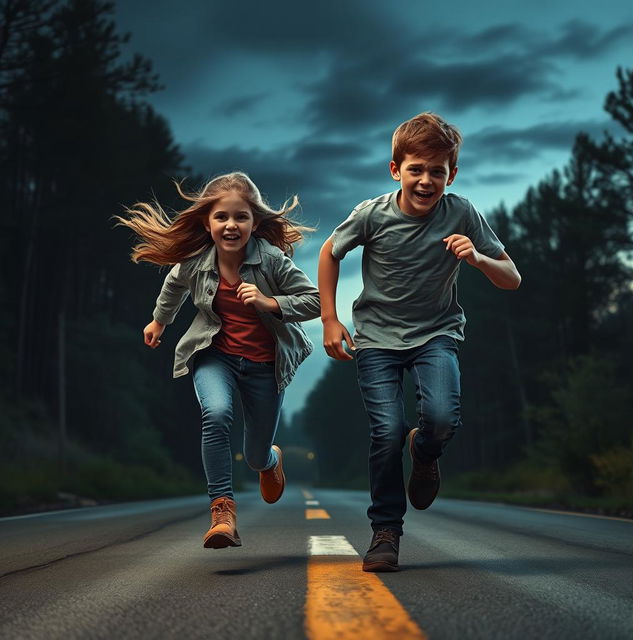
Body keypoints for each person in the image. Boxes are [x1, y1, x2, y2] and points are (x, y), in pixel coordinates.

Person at [318, 112, 521, 572]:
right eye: (416, 169)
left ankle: (425, 452)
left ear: (452, 174)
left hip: (436, 334)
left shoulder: (463, 213)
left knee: (442, 419)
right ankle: (385, 532)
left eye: (437, 171)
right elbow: (330, 252)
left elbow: (512, 277)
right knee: (386, 432)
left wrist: (478, 260)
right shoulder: (372, 214)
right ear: (396, 170)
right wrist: (330, 320)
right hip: (376, 339)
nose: (426, 180)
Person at [116, 172, 320, 549]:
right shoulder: (196, 261)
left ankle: (269, 462)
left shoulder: (272, 260)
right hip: (215, 357)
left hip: (263, 366)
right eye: (221, 217)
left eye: (240, 217)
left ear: (254, 222)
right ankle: (222, 510)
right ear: (207, 222)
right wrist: (160, 321)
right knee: (217, 413)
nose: (231, 225)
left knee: (256, 453)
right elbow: (174, 284)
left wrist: (268, 302)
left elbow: (315, 301)